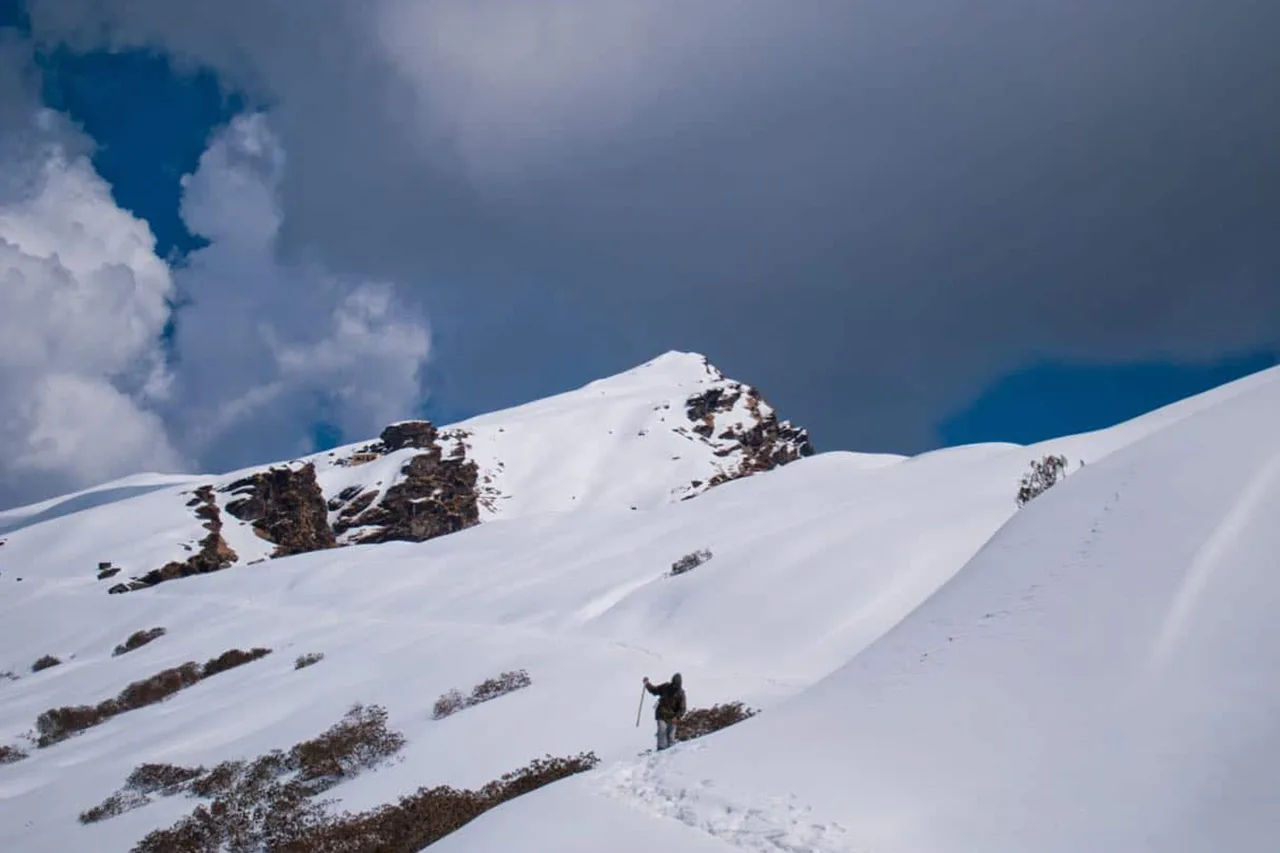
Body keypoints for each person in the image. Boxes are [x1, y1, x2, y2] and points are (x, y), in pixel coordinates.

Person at [643, 673, 686, 751]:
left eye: (676, 685)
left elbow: (682, 708)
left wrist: (676, 717)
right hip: (661, 713)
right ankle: (661, 750)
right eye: (674, 684)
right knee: (662, 730)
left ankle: (671, 752)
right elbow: (654, 690)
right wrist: (647, 684)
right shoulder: (666, 687)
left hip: (673, 716)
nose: (674, 686)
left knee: (671, 735)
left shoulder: (680, 693)